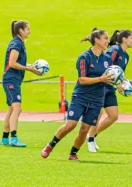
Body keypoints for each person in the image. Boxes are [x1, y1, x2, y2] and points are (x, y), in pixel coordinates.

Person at [41, 29, 114, 160]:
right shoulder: (84, 57)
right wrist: (100, 79)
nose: (108, 41)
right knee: (70, 125)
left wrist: (119, 85)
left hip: (97, 99)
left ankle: (73, 154)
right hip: (80, 96)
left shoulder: (107, 59)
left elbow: (110, 77)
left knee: (85, 128)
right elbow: (82, 80)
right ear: (97, 40)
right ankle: (50, 145)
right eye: (105, 38)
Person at [87, 29, 132, 152]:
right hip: (103, 85)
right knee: (98, 112)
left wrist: (122, 83)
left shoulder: (126, 56)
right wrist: (114, 81)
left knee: (113, 116)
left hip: (111, 87)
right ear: (124, 39)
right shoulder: (114, 50)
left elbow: (119, 73)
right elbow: (107, 66)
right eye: (131, 38)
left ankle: (92, 135)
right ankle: (90, 139)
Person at [1, 20, 41, 147]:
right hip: (11, 80)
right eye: (28, 29)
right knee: (17, 108)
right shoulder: (16, 43)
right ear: (20, 30)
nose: (30, 31)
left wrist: (33, 68)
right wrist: (29, 68)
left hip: (14, 80)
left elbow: (19, 63)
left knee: (11, 109)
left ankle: (4, 138)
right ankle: (14, 138)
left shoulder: (19, 43)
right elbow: (12, 63)